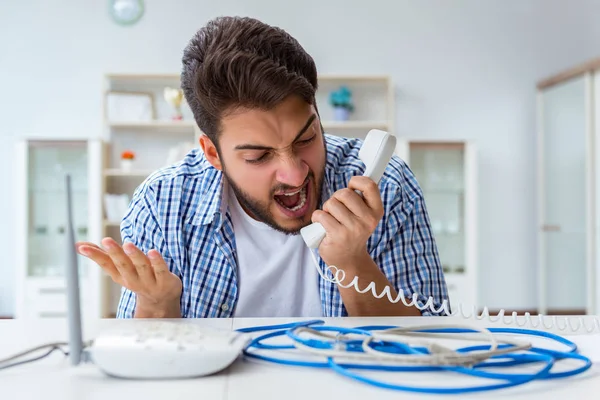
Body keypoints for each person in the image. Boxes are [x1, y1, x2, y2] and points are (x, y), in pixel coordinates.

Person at [75, 16, 448, 319]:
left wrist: (352, 263)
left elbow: (429, 343)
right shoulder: (162, 201)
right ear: (213, 152)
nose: (295, 173)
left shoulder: (385, 183)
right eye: (259, 156)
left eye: (306, 139)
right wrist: (158, 305)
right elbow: (147, 366)